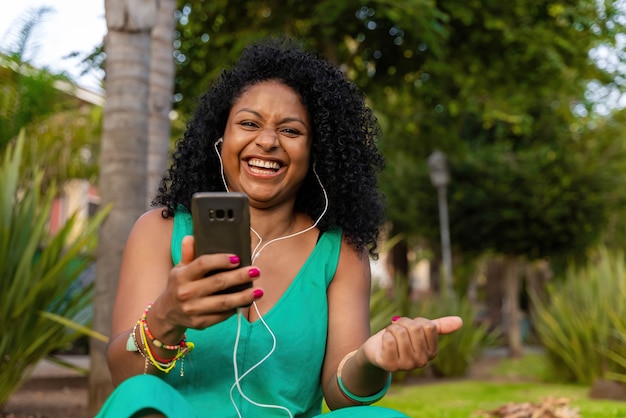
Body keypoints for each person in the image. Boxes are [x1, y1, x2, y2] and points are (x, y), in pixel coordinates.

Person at [97, 37, 463, 418]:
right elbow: (125, 379)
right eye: (249, 123)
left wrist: (372, 358)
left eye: (290, 131)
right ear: (220, 141)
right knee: (137, 397)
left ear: (315, 151)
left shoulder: (338, 251)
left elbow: (343, 398)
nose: (268, 141)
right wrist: (167, 317)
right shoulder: (160, 230)